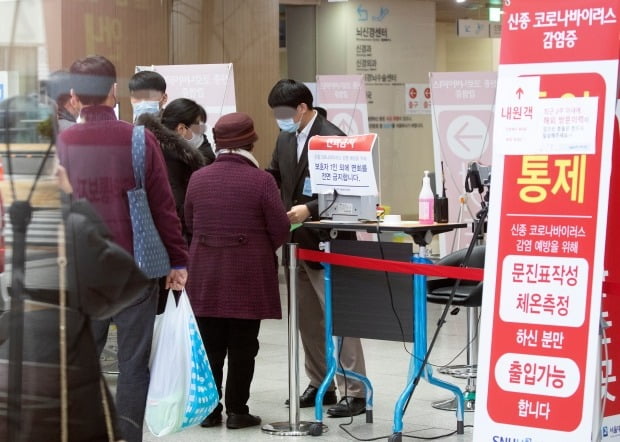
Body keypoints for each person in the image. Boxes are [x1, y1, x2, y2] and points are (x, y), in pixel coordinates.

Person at [57, 55, 189, 442]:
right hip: (137, 270)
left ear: (75, 96)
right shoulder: (138, 138)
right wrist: (178, 259)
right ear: (114, 93)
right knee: (133, 366)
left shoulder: (62, 144)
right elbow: (164, 207)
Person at [266, 79, 367, 417]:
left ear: (302, 108)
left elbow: (349, 190)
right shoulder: (284, 138)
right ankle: (320, 382)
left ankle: (354, 389)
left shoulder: (333, 138)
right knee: (306, 318)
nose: (278, 119)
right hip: (295, 242)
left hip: (330, 240)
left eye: (282, 112)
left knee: (338, 316)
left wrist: (309, 209)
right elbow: (275, 176)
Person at [184, 112, 290, 430]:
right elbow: (280, 228)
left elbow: (189, 223)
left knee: (210, 345)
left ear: (217, 143)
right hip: (248, 275)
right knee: (244, 345)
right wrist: (257, 246)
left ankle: (209, 410)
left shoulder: (198, 178)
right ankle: (237, 411)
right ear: (250, 141)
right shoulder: (261, 180)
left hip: (205, 273)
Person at [161, 97, 215, 165]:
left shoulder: (206, 157)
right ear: (181, 129)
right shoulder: (156, 155)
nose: (202, 131)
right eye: (197, 127)